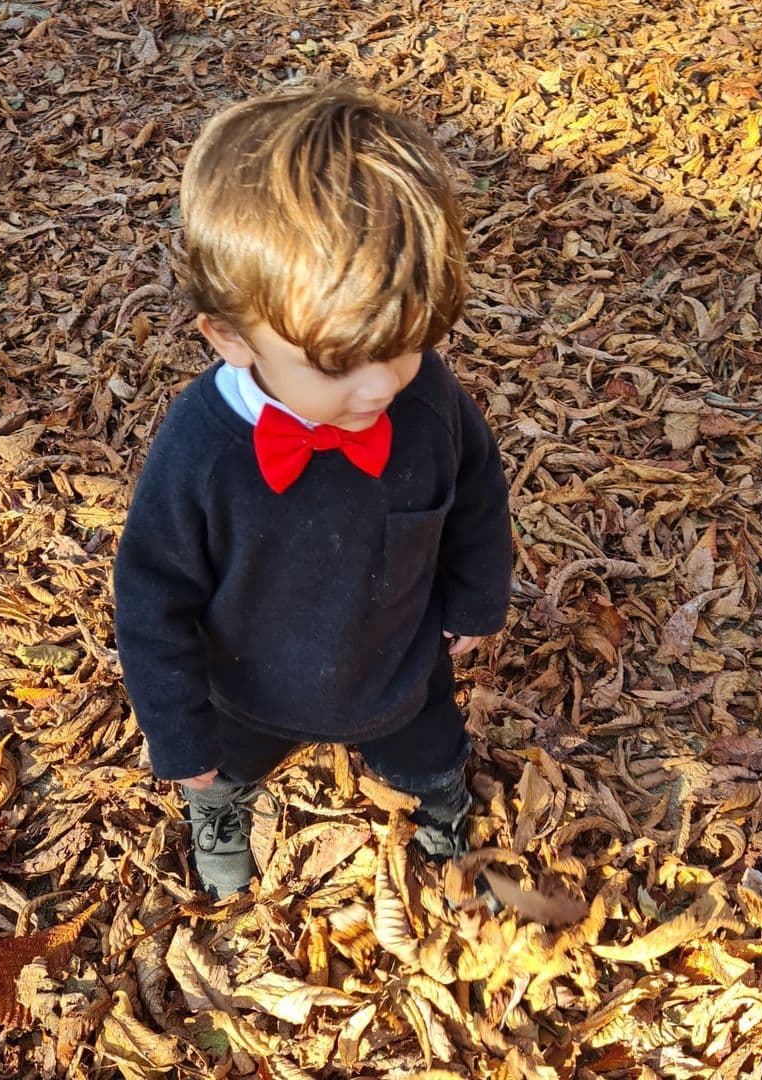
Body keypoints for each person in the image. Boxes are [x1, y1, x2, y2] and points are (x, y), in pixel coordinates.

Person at [113, 82, 512, 900]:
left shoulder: (426, 401)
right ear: (229, 336)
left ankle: (437, 801)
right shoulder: (202, 452)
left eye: (406, 343)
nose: (380, 386)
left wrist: (476, 600)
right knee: (225, 767)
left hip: (396, 665)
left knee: (430, 753)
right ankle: (222, 809)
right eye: (338, 363)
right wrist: (179, 738)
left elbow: (476, 494)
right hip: (247, 686)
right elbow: (151, 599)